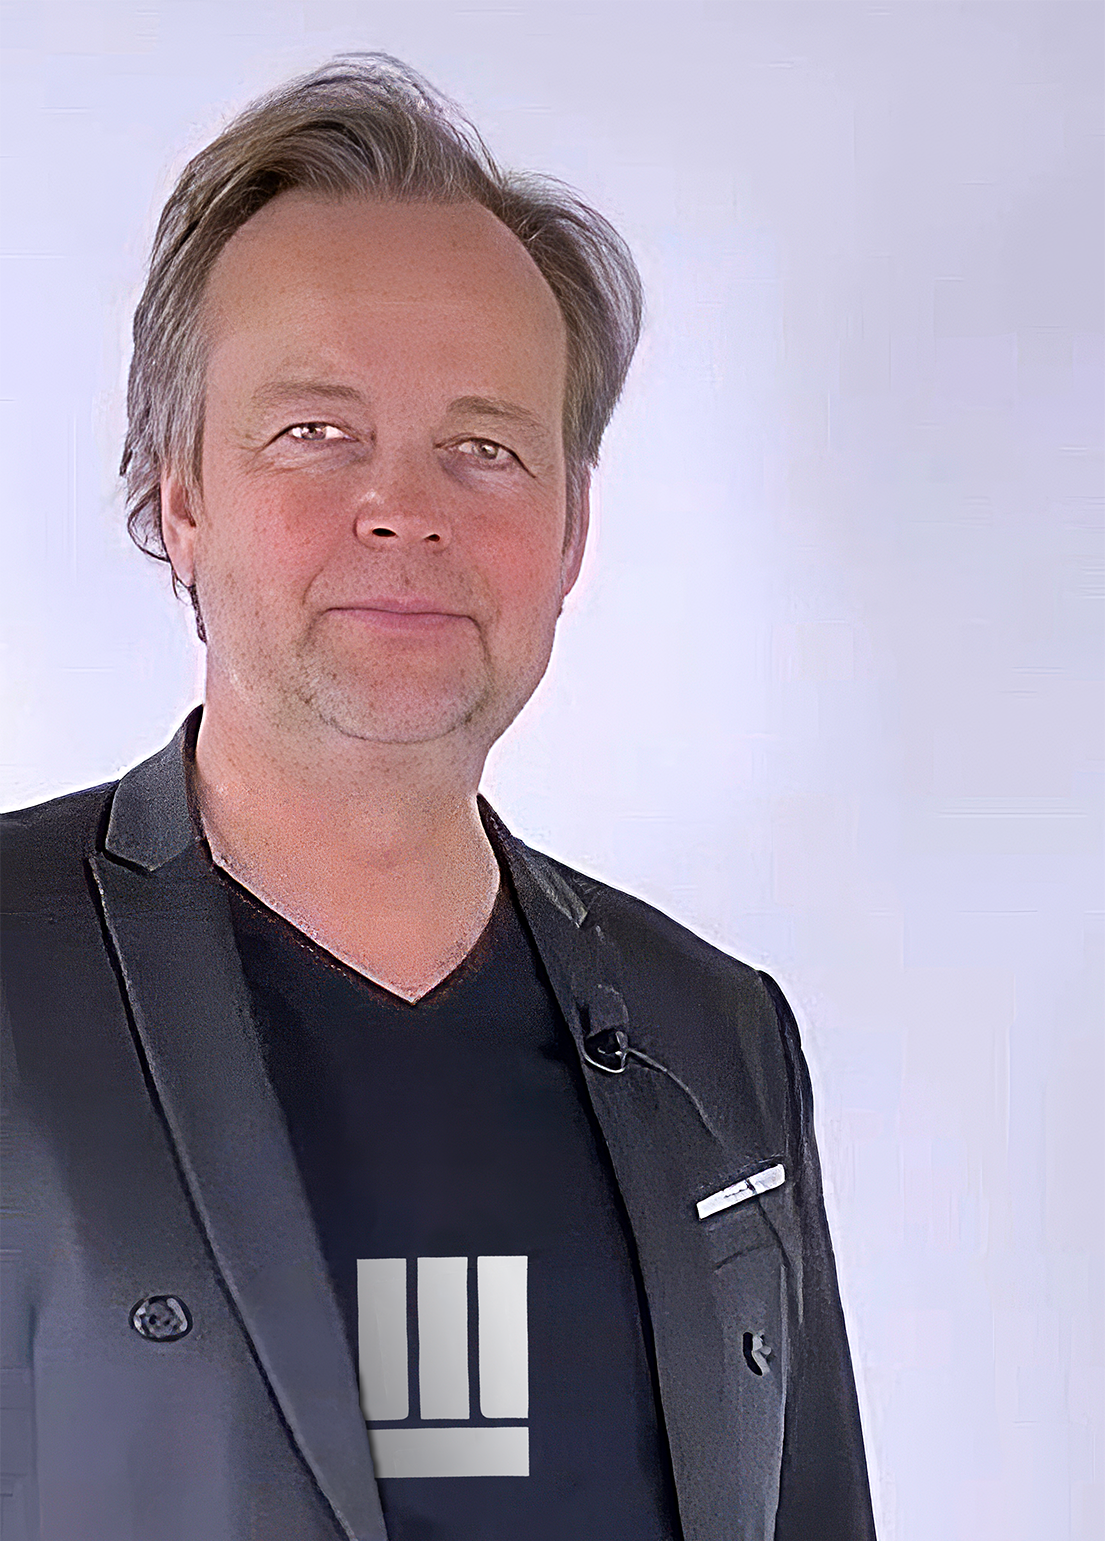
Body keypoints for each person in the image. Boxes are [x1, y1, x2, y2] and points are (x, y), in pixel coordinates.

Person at [0, 54, 875, 1541]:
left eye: (485, 447)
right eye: (316, 432)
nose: (403, 507)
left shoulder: (718, 1042)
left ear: (572, 529)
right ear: (181, 493)